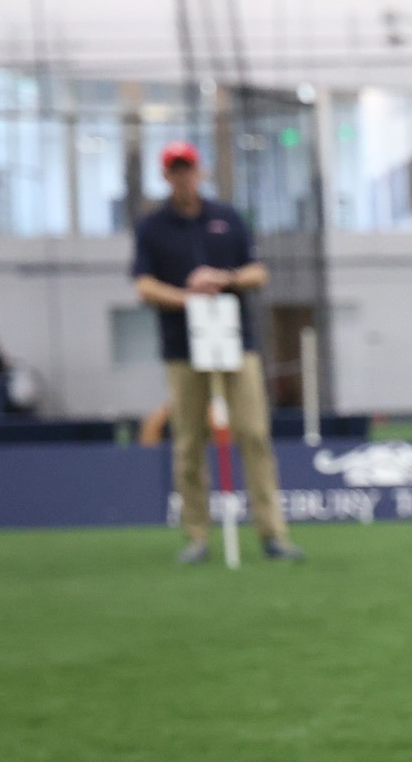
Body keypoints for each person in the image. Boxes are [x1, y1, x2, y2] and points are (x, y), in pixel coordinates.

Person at [131, 142, 303, 564]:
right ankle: (196, 536)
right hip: (182, 349)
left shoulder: (227, 219)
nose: (183, 176)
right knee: (189, 442)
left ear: (200, 171)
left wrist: (223, 279)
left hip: (236, 343)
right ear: (166, 176)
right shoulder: (152, 227)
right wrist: (187, 296)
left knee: (255, 434)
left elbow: (257, 272)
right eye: (175, 170)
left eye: (188, 168)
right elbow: (144, 285)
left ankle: (272, 534)